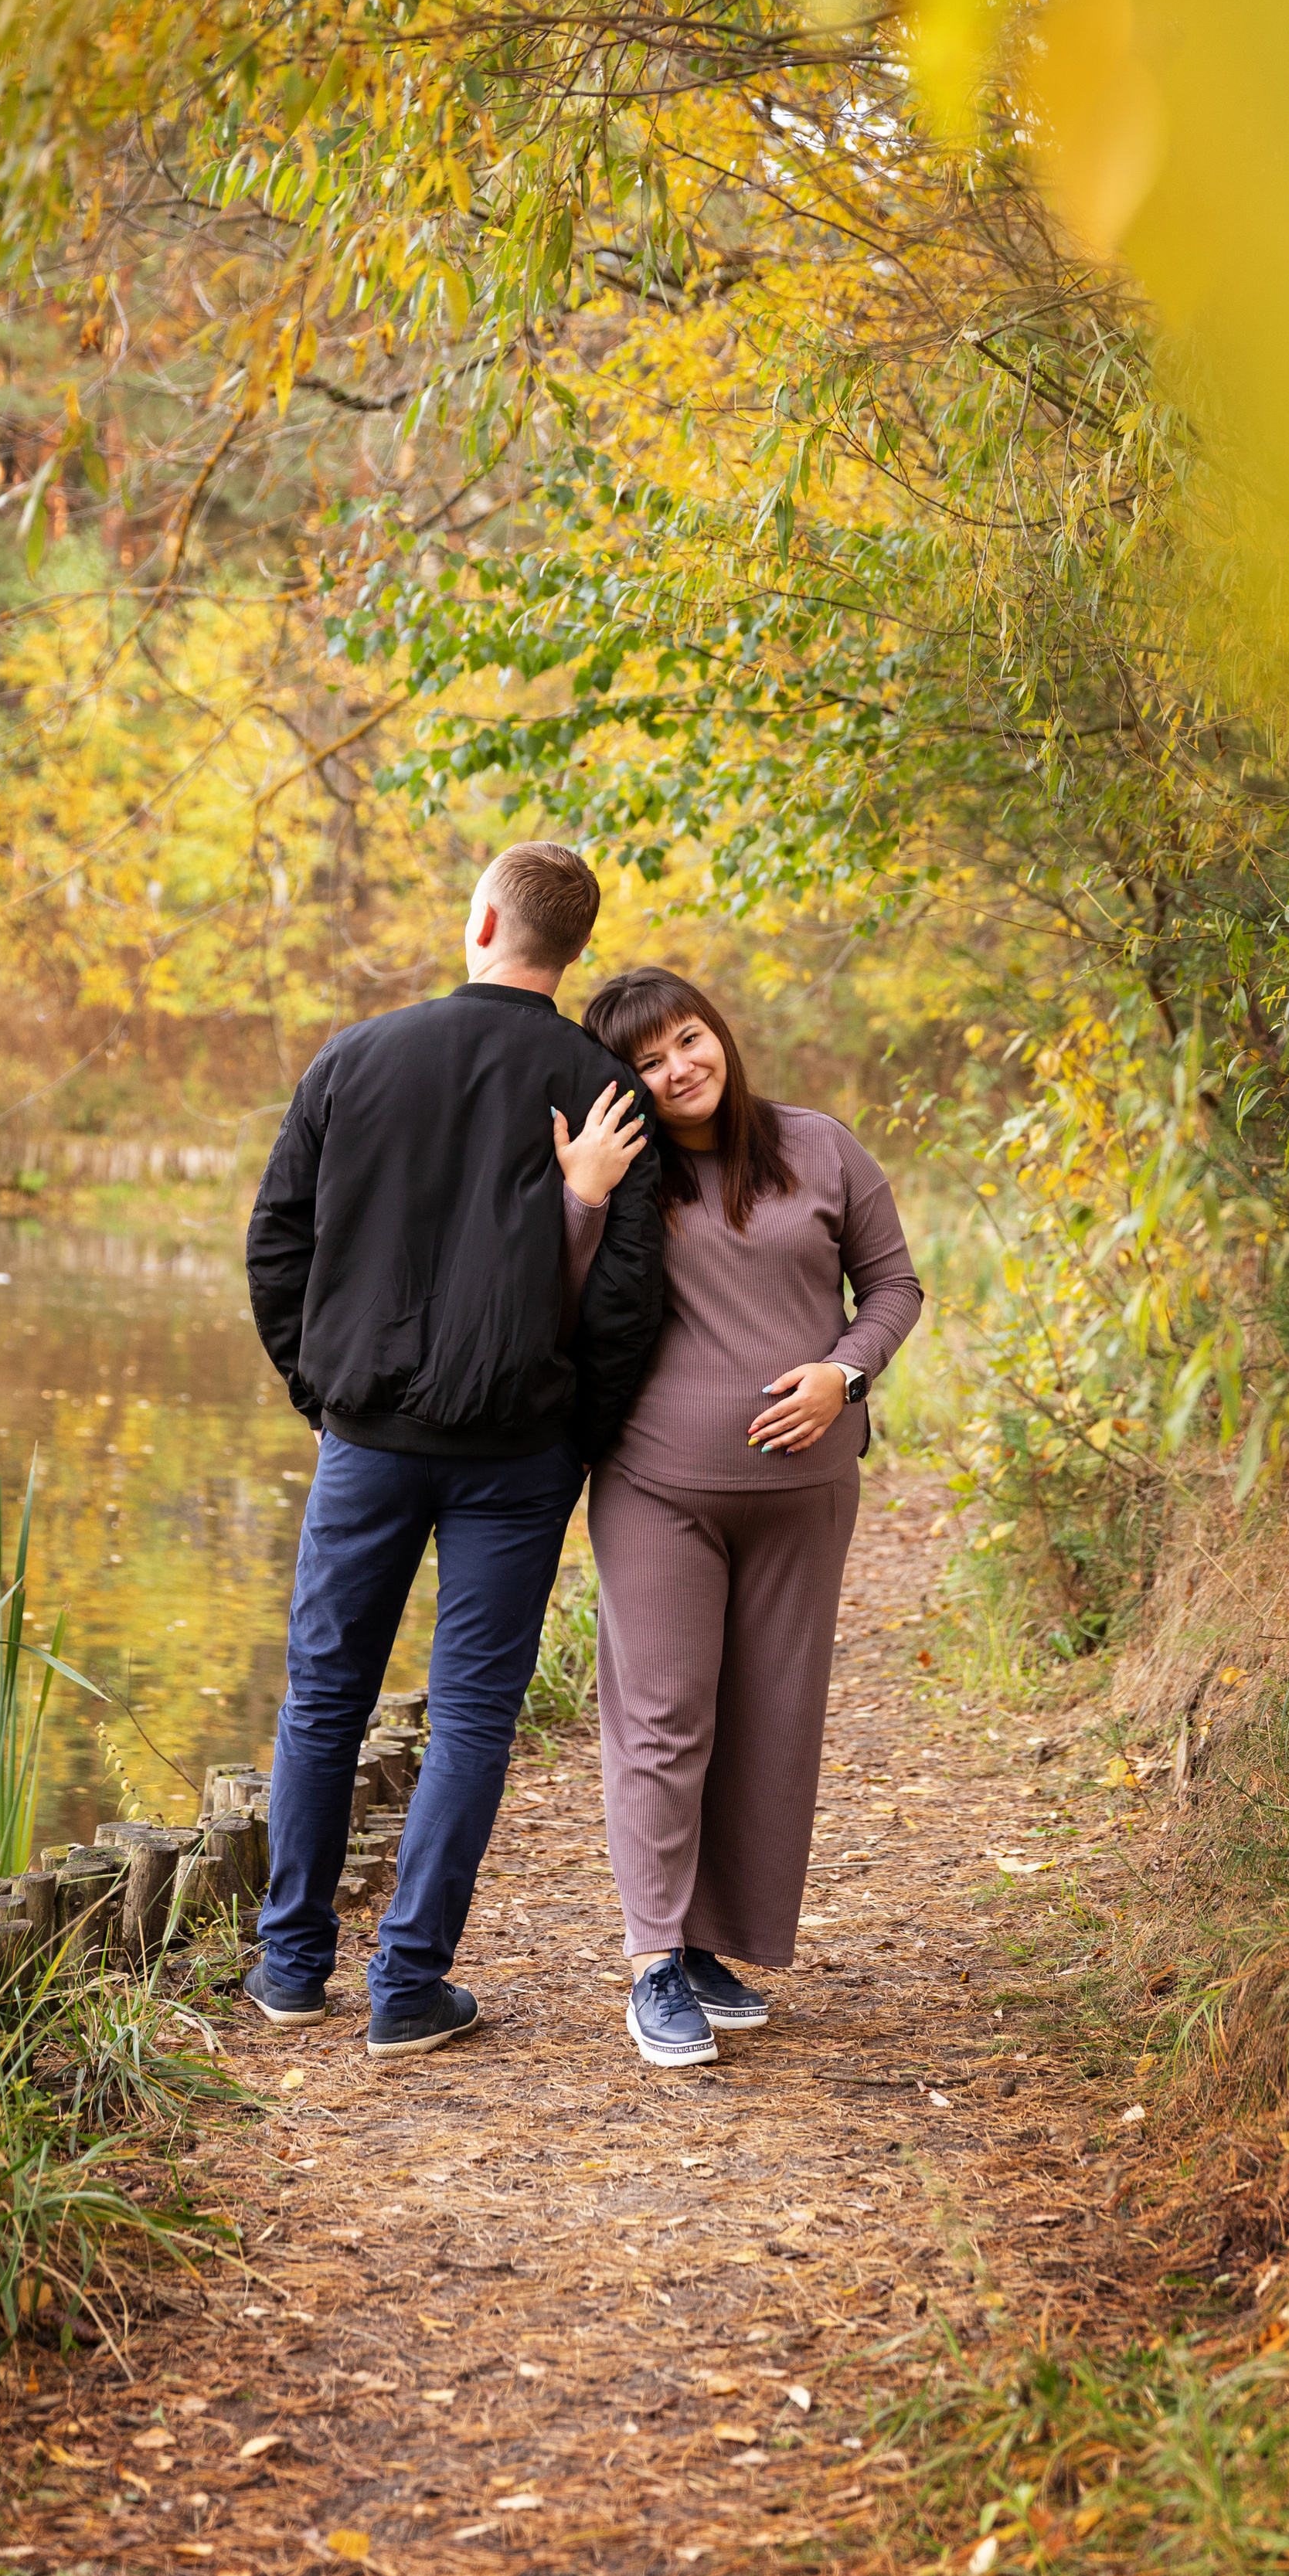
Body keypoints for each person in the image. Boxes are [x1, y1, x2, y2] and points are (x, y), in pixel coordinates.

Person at [244, 844, 663, 2058]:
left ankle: (290, 1968)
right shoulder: (606, 1090)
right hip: (522, 1453)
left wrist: (321, 1392)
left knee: (325, 1695)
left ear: (482, 922)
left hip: (368, 1437)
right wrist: (576, 1435)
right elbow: (629, 1299)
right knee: (474, 1713)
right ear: (572, 949)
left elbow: (276, 1243)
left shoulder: (355, 1056)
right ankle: (407, 1987)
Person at [563, 966, 922, 2068]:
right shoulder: (623, 1170)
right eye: (648, 1061)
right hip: (658, 1486)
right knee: (664, 1717)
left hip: (805, 1496)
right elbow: (552, 1295)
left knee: (769, 1722)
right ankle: (653, 1962)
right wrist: (582, 1196)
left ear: (717, 1032)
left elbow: (893, 1288)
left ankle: (709, 1941)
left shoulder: (821, 1147)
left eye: (688, 1039)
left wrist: (843, 1375)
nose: (679, 1069)